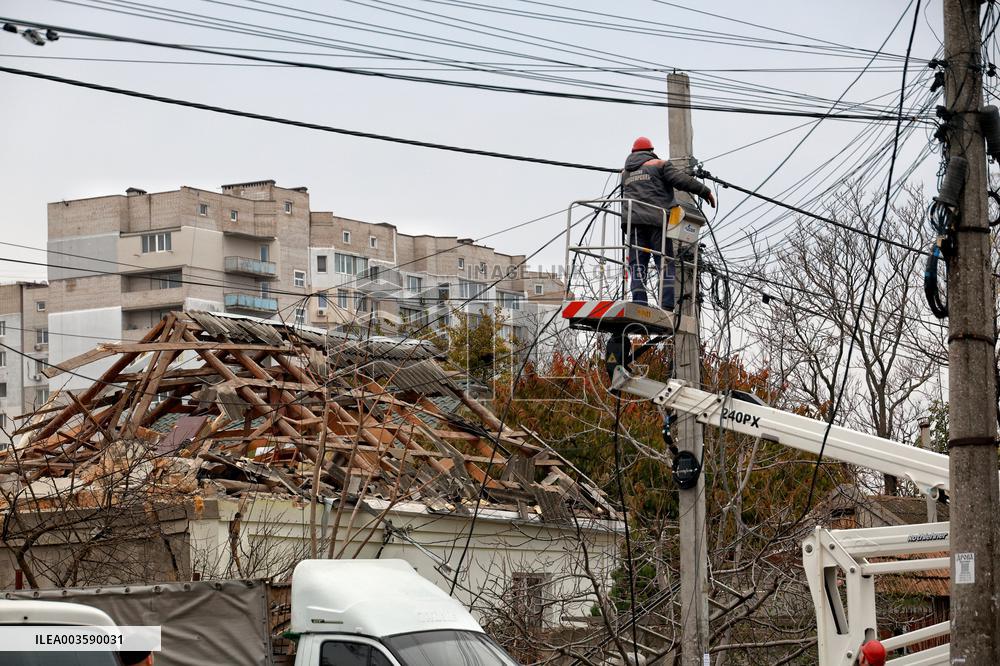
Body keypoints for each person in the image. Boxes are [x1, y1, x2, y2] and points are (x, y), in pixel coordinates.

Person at [621, 136, 716, 310]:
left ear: (633, 152)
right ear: (651, 151)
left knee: (637, 264)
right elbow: (681, 181)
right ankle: (666, 304)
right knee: (664, 262)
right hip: (657, 220)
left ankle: (639, 300)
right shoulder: (659, 165)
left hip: (633, 223)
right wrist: (705, 191)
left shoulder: (625, 172)